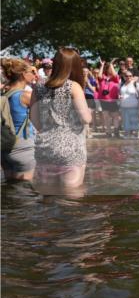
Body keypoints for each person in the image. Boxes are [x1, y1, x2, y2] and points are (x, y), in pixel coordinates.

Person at [29, 48, 91, 194]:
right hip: (71, 150)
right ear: (75, 65)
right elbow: (86, 118)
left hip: (45, 148)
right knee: (71, 199)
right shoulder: (73, 86)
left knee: (47, 199)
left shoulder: (38, 86)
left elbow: (33, 118)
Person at [1, 58, 37, 181]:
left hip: (4, 149)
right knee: (25, 192)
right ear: (23, 74)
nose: (34, 75)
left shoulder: (3, 95)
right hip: (23, 148)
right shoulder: (26, 96)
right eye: (32, 72)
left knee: (10, 190)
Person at [118, 69, 139, 138]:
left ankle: (136, 134)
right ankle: (127, 134)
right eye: (127, 76)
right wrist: (119, 96)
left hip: (134, 105)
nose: (128, 77)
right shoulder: (121, 84)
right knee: (126, 120)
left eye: (130, 76)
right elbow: (119, 93)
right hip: (123, 106)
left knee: (134, 120)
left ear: (132, 76)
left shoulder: (135, 84)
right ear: (124, 77)